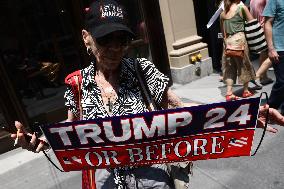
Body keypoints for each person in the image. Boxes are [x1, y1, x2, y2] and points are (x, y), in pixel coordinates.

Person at [8, 0, 284, 189]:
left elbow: (184, 110)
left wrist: (242, 117)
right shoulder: (77, 83)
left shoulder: (143, 70)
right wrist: (40, 140)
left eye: (123, 40)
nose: (116, 48)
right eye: (106, 39)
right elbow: (71, 129)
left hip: (152, 177)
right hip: (104, 179)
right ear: (86, 38)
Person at [220, 0, 256, 101]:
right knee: (244, 66)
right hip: (240, 42)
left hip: (228, 44)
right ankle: (245, 91)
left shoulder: (222, 14)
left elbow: (223, 33)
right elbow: (252, 23)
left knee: (229, 68)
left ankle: (229, 93)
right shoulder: (242, 9)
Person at [263, 0, 284, 115]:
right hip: (280, 47)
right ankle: (269, 110)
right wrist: (271, 48)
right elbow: (267, 23)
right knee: (282, 82)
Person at [250, 0, 274, 87]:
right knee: (273, 53)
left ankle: (263, 77)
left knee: (264, 53)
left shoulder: (252, 0)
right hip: (265, 27)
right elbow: (271, 11)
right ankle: (258, 76)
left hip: (258, 27)